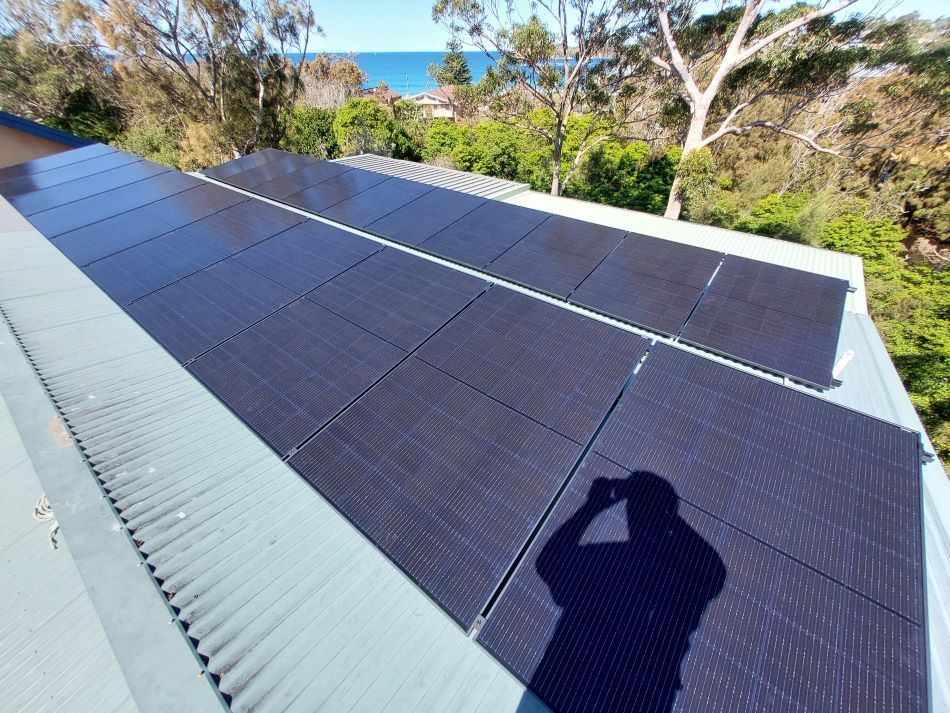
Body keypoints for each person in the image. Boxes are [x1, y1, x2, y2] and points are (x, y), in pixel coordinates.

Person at [531, 469, 726, 713]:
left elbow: (548, 561)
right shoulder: (684, 578)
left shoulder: (606, 561)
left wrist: (592, 506)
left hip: (564, 690)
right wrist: (667, 515)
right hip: (637, 701)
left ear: (629, 513)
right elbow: (715, 570)